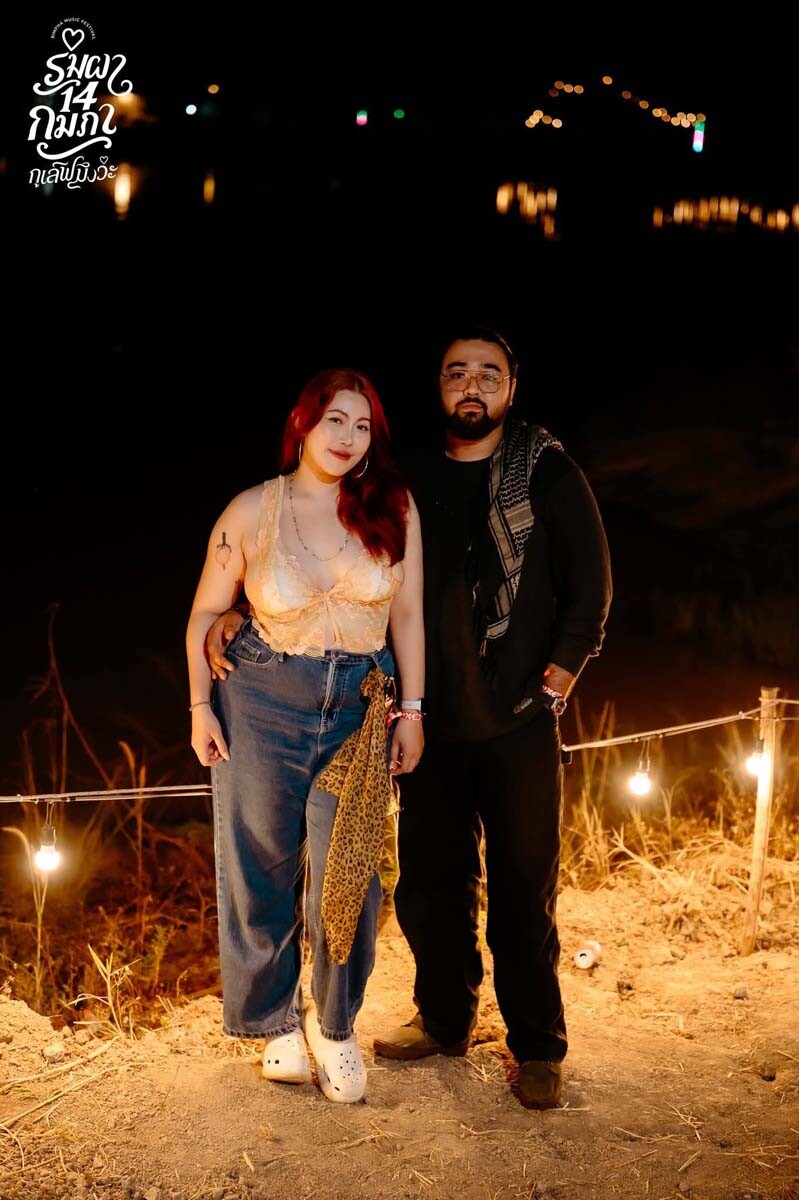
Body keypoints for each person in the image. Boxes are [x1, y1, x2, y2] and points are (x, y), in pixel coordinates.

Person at [207, 327, 611, 1111]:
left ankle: (536, 1044)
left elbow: (590, 586)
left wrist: (559, 676)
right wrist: (241, 615)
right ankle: (445, 1018)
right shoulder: (408, 481)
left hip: (518, 719)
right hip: (424, 724)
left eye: (488, 373)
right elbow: (344, 567)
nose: (472, 385)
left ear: (511, 386)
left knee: (523, 887)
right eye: (457, 372)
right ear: (439, 387)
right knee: (429, 886)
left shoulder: (545, 471)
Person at [186, 368, 424, 1105]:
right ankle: (275, 1024)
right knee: (258, 863)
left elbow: (407, 616)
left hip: (359, 705)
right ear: (303, 424)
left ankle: (337, 1025)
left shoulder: (392, 507)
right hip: (261, 697)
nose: (347, 437)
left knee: (350, 874)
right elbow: (205, 614)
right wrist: (199, 706)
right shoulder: (251, 509)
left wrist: (413, 711)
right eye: (334, 420)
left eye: (362, 425)